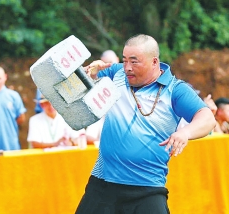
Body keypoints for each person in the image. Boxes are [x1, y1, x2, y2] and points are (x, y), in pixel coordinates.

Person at [75, 34, 216, 213]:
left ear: (154, 62)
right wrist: (90, 71)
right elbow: (77, 80)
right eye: (124, 60)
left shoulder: (175, 90)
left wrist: (184, 133)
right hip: (104, 182)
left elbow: (207, 118)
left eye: (134, 62)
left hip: (147, 187)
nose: (127, 68)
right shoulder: (116, 73)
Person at [85, 49, 120, 144]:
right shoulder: (98, 77)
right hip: (103, 113)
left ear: (117, 59)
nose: (109, 66)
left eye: (112, 63)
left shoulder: (126, 77)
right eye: (106, 63)